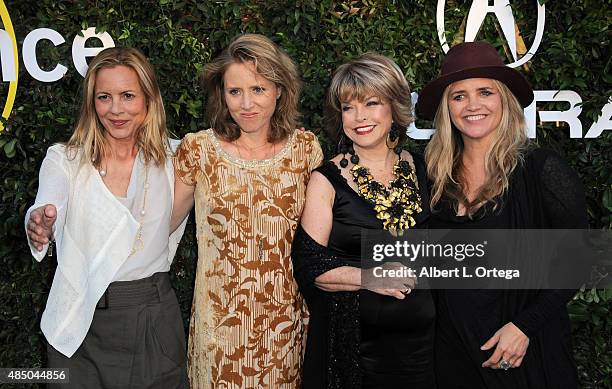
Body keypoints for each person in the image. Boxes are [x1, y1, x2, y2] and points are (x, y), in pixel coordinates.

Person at [416, 41, 587, 388]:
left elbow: (578, 260)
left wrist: (525, 326)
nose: (472, 105)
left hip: (522, 352)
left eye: (484, 92)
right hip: (453, 357)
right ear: (447, 107)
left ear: (504, 100)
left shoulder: (542, 170)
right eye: (458, 95)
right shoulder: (432, 176)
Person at [24, 47, 189, 388]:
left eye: (128, 95)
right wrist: (40, 222)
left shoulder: (179, 157)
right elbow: (48, 203)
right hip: (78, 323)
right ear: (91, 102)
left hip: (152, 319)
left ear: (149, 98)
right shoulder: (65, 160)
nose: (116, 110)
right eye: (104, 97)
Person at [170, 33, 323, 388]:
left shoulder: (305, 150)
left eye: (258, 89)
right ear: (221, 95)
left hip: (287, 329)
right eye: (234, 91)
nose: (246, 104)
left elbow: (322, 241)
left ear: (280, 89)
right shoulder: (198, 151)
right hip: (220, 333)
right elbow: (161, 224)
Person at [291, 53, 435, 388]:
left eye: (371, 103)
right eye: (348, 107)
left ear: (394, 106)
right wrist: (370, 276)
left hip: (424, 353)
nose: (359, 117)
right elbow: (309, 264)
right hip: (356, 354)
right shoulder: (326, 179)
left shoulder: (424, 168)